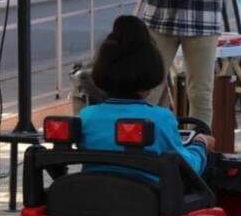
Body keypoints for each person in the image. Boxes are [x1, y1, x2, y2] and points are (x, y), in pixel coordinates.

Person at [80, 16, 214, 178]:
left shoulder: (87, 116)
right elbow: (188, 168)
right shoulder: (160, 118)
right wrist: (200, 145)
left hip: (91, 196)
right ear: (149, 75)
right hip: (149, 199)